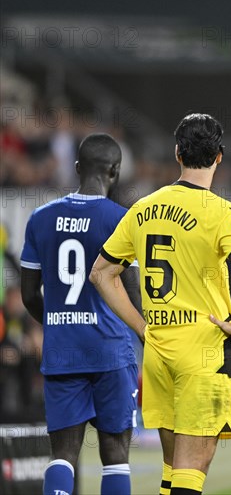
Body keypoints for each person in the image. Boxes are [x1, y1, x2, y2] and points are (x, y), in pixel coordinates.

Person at [90, 113, 231, 495]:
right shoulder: (222, 212)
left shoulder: (142, 209)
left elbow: (102, 273)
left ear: (177, 154)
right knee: (190, 472)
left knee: (172, 472)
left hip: (158, 349)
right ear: (219, 157)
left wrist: (140, 327)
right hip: (202, 347)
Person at [20, 133, 140, 495]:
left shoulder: (40, 218)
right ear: (115, 172)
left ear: (76, 168)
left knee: (62, 455)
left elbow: (28, 295)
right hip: (110, 352)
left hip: (62, 352)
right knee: (116, 454)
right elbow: (133, 297)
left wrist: (59, 323)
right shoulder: (121, 219)